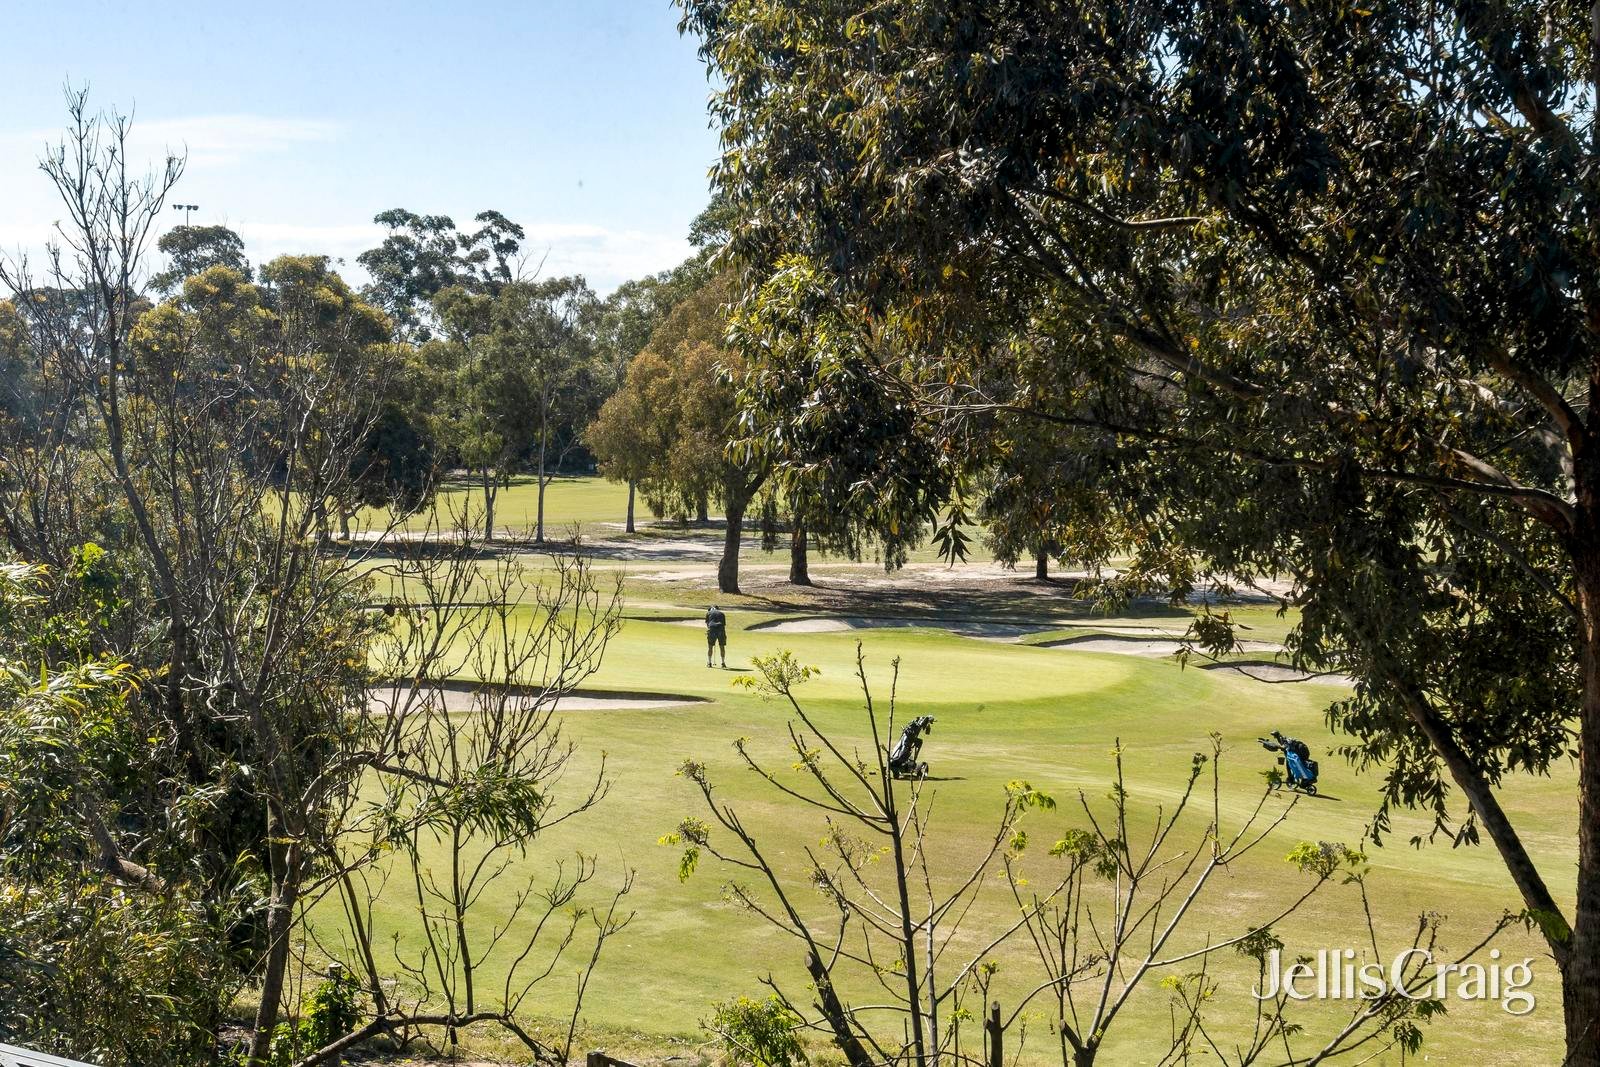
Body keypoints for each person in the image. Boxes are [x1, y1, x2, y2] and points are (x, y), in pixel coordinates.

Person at [705, 603, 727, 668]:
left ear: (711, 608)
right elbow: (724, 624)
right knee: (722, 647)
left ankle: (709, 663)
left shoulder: (708, 613)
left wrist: (709, 631)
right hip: (721, 631)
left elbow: (707, 624)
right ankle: (723, 663)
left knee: (710, 647)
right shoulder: (722, 613)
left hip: (712, 630)